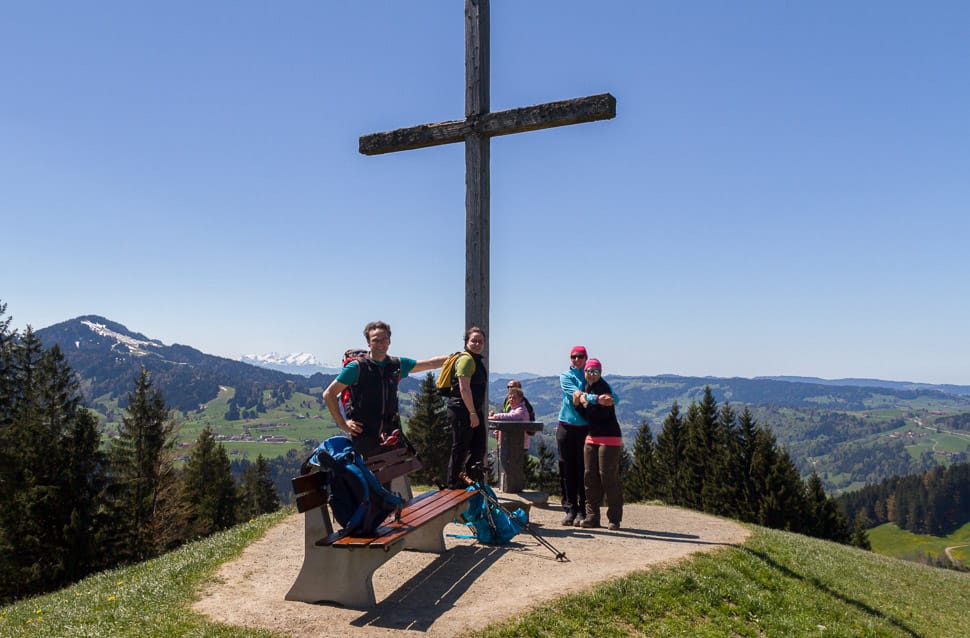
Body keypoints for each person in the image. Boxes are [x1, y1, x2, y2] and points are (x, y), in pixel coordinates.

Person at [323, 321, 447, 459]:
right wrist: (343, 424)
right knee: (370, 478)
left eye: (384, 339)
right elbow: (329, 394)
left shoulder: (397, 364)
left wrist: (456, 357)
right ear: (369, 343)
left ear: (389, 341)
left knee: (390, 477)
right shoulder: (356, 368)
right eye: (376, 340)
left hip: (391, 434)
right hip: (364, 435)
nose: (381, 344)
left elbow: (431, 363)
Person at [557, 345, 615, 526]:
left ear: (585, 357)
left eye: (580, 356)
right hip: (566, 426)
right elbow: (575, 393)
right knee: (567, 469)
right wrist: (596, 399)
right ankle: (570, 508)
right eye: (573, 356)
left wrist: (588, 398)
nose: (577, 359)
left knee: (584, 470)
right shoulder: (565, 377)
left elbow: (612, 397)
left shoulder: (592, 375)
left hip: (585, 429)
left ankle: (583, 510)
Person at [572, 358, 623, 530]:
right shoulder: (586, 387)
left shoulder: (604, 387)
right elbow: (585, 413)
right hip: (592, 437)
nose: (591, 375)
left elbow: (603, 408)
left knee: (608, 477)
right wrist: (582, 402)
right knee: (589, 478)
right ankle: (592, 516)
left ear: (600, 373)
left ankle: (614, 518)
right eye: (588, 371)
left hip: (609, 438)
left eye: (595, 372)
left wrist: (585, 400)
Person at [445, 326, 488, 488]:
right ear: (466, 342)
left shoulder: (475, 359)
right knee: (461, 447)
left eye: (480, 341)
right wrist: (472, 412)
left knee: (478, 446)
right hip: (462, 410)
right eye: (473, 340)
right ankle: (454, 483)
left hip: (472, 410)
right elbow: (464, 388)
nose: (477, 343)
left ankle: (471, 479)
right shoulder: (466, 359)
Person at [489, 386, 531, 451]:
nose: (511, 399)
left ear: (520, 399)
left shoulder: (521, 410)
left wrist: (494, 417)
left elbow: (511, 417)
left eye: (514, 398)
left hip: (517, 446)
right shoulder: (514, 409)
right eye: (510, 397)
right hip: (512, 445)